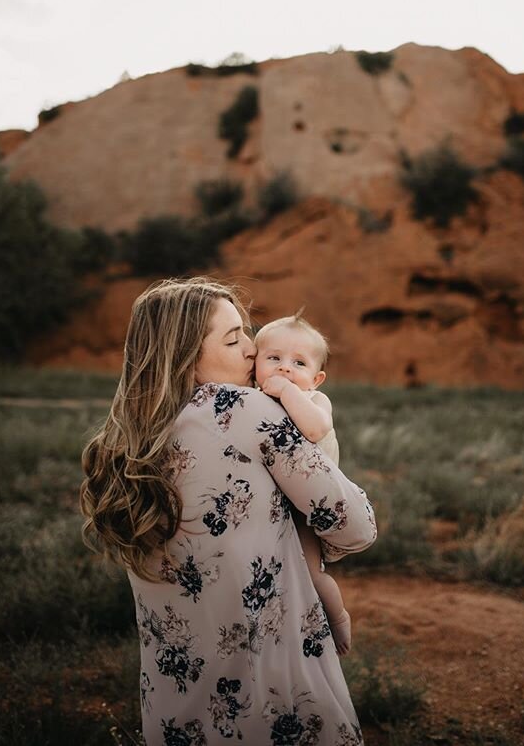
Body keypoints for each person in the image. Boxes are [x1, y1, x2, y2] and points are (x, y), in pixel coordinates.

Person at [80, 277, 377, 746]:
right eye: (234, 337)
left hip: (177, 703)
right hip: (272, 694)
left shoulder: (128, 438)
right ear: (185, 353)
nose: (252, 348)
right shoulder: (241, 407)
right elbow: (355, 526)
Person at [254, 314, 351, 656]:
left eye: (298, 363)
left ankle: (337, 617)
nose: (284, 368)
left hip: (305, 508)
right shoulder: (252, 399)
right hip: (267, 505)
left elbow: (313, 431)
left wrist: (286, 392)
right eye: (273, 358)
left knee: (311, 572)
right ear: (255, 363)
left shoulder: (314, 401)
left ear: (316, 378)